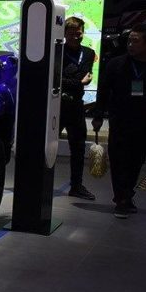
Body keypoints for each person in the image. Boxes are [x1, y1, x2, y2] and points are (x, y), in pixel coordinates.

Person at [92, 23, 146, 219]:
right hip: (120, 120)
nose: (130, 45)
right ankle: (121, 199)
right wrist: (98, 115)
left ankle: (127, 194)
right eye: (129, 41)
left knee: (136, 161)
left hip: (143, 123)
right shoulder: (116, 64)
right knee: (118, 160)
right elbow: (103, 91)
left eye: (135, 41)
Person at [60, 16, 96, 200]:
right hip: (57, 105)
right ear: (64, 33)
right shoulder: (57, 52)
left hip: (76, 105)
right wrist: (78, 82)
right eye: (71, 33)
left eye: (79, 33)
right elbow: (55, 79)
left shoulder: (88, 53)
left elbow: (86, 76)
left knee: (79, 149)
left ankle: (76, 186)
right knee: (45, 146)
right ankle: (38, 182)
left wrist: (71, 81)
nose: (75, 36)